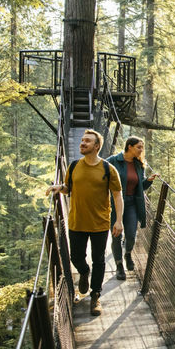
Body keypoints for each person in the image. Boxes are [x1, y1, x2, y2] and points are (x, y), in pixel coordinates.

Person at [47, 129, 123, 316]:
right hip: (76, 222)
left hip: (99, 223)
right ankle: (83, 272)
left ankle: (95, 295)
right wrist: (60, 188)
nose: (82, 143)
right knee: (76, 257)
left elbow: (117, 195)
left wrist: (119, 220)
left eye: (87, 141)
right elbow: (69, 188)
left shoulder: (108, 169)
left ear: (96, 146)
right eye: (82, 140)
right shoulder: (73, 166)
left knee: (99, 260)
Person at [106, 136, 160, 280]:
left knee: (131, 235)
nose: (141, 150)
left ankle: (128, 253)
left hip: (131, 204)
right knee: (116, 235)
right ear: (129, 146)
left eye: (142, 147)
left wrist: (148, 181)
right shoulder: (113, 161)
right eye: (139, 147)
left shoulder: (138, 164)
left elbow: (140, 187)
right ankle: (119, 266)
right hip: (115, 203)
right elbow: (102, 178)